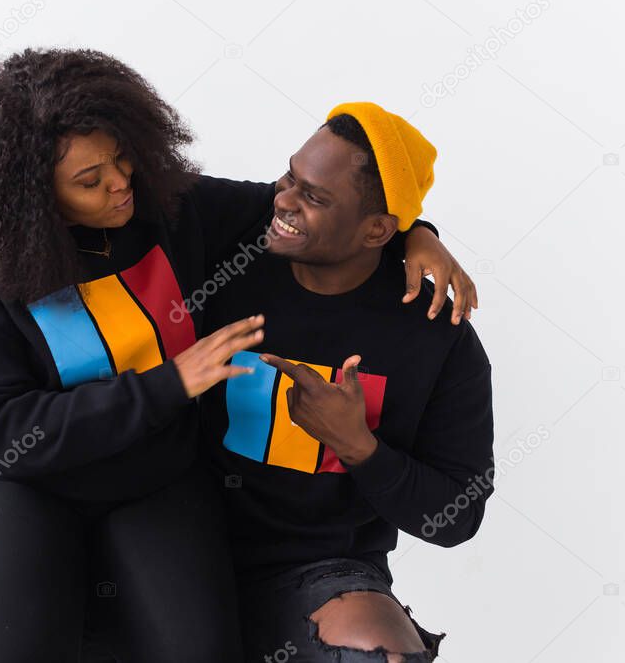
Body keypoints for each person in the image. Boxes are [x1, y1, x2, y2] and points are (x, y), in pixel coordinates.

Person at [0, 47, 477, 662]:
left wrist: (420, 232)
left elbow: (315, 211)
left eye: (122, 158)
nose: (120, 183)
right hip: (25, 485)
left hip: (154, 481)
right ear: (30, 192)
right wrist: (166, 384)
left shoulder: (174, 214)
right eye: (89, 181)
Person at [197, 102, 495, 661]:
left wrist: (359, 446)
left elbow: (458, 516)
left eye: (314, 197)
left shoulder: (436, 337)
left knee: (379, 651)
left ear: (378, 229)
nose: (283, 200)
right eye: (290, 176)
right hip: (179, 541)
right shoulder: (237, 234)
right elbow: (119, 188)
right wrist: (421, 230)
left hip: (318, 570)